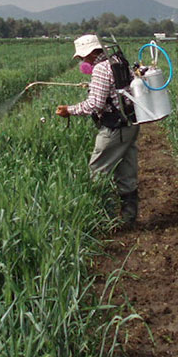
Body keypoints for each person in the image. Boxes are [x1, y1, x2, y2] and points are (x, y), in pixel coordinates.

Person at [57, 34, 139, 227]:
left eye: (84, 57)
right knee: (127, 173)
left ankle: (102, 220)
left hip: (114, 129)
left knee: (97, 173)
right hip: (130, 124)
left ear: (93, 53)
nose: (83, 61)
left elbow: (95, 104)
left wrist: (69, 110)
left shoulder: (101, 68)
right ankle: (129, 219)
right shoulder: (118, 61)